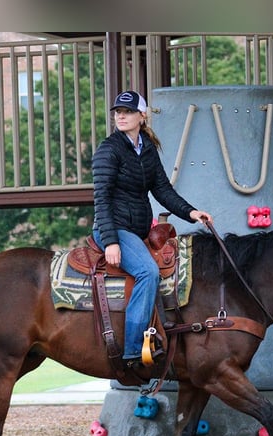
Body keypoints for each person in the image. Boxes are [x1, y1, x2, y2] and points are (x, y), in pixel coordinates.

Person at [92, 90, 213, 368]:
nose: (121, 116)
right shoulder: (109, 150)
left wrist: (191, 212)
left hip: (137, 230)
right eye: (118, 112)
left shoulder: (145, 147)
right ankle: (134, 352)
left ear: (142, 116)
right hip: (114, 228)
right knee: (148, 272)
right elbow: (101, 197)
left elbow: (162, 189)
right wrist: (111, 241)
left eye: (128, 112)